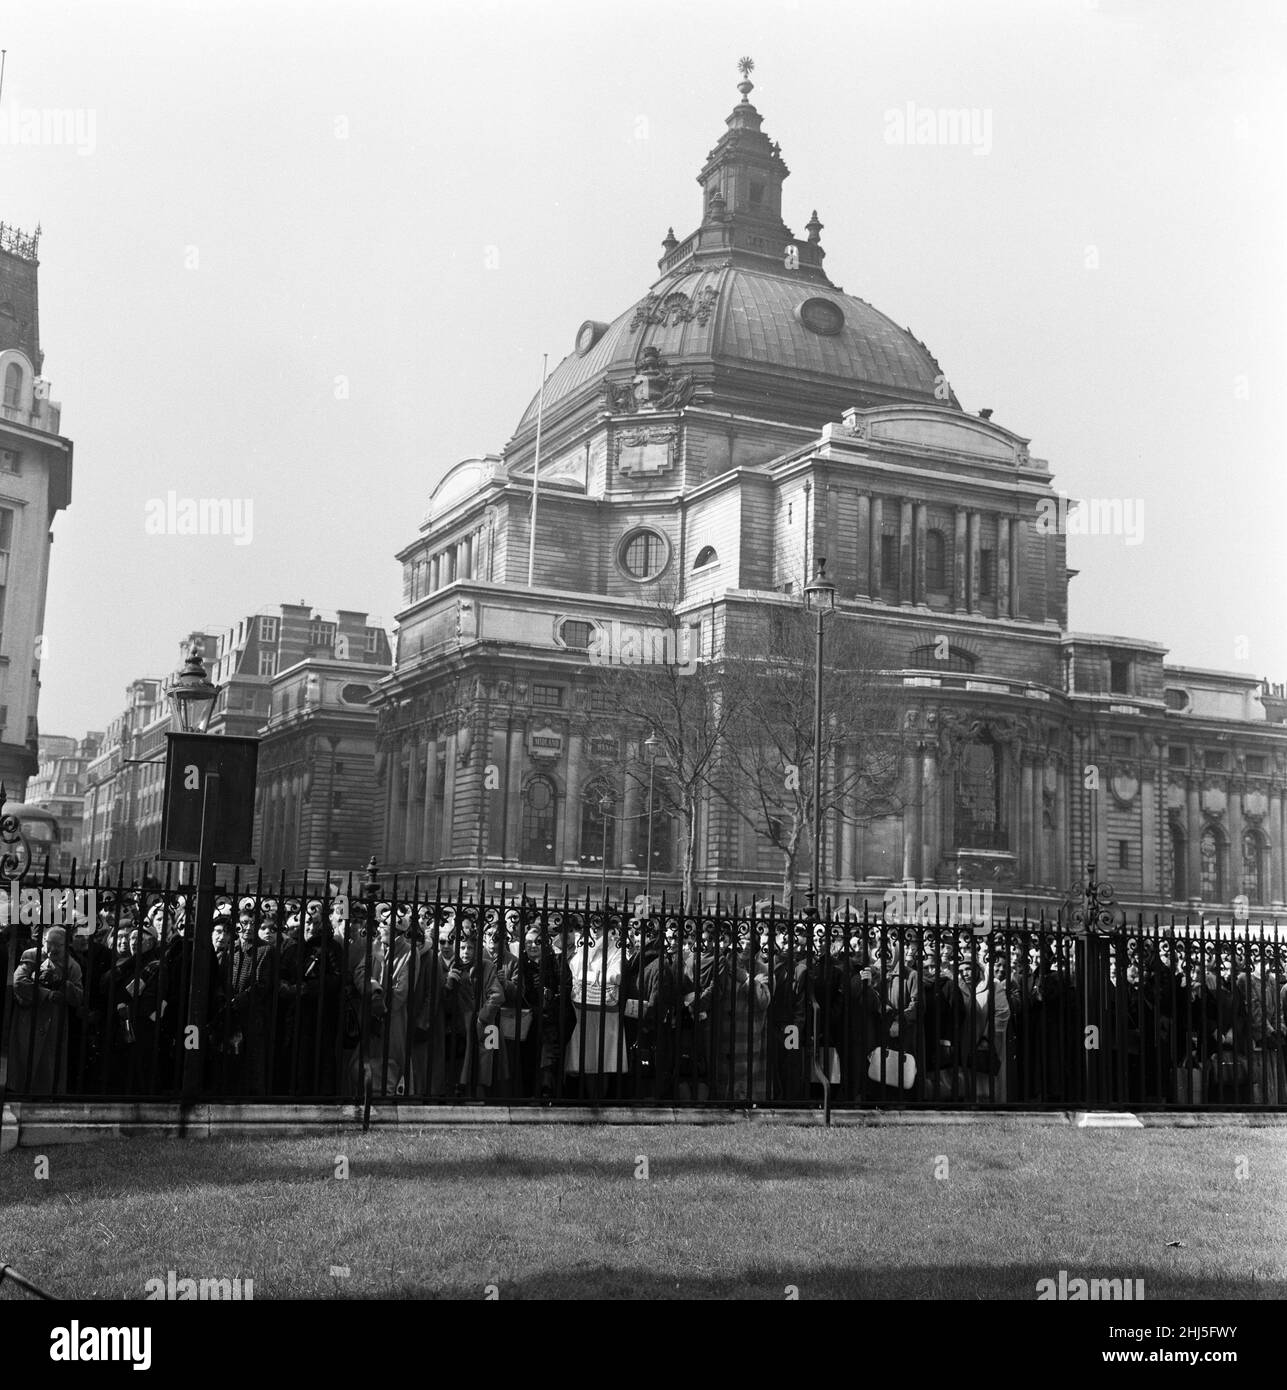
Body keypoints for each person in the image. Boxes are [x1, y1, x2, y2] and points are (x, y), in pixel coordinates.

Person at [9, 926, 84, 1095]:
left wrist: (62, 983)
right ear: (43, 941)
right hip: (29, 1017)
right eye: (48, 944)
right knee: (24, 1060)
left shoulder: (73, 966)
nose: (52, 949)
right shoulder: (31, 955)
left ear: (66, 945)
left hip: (54, 1021)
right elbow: (19, 982)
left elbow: (78, 997)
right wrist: (47, 994)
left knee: (48, 1068)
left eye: (58, 945)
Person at [565, 912, 624, 1099]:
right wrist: (596, 976)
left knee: (604, 1060)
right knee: (585, 1058)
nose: (594, 933)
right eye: (591, 928)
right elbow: (573, 971)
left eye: (598, 929)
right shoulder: (583, 948)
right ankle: (586, 1099)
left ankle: (600, 1099)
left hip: (607, 1012)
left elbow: (615, 976)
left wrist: (589, 977)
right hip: (583, 1010)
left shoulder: (617, 949)